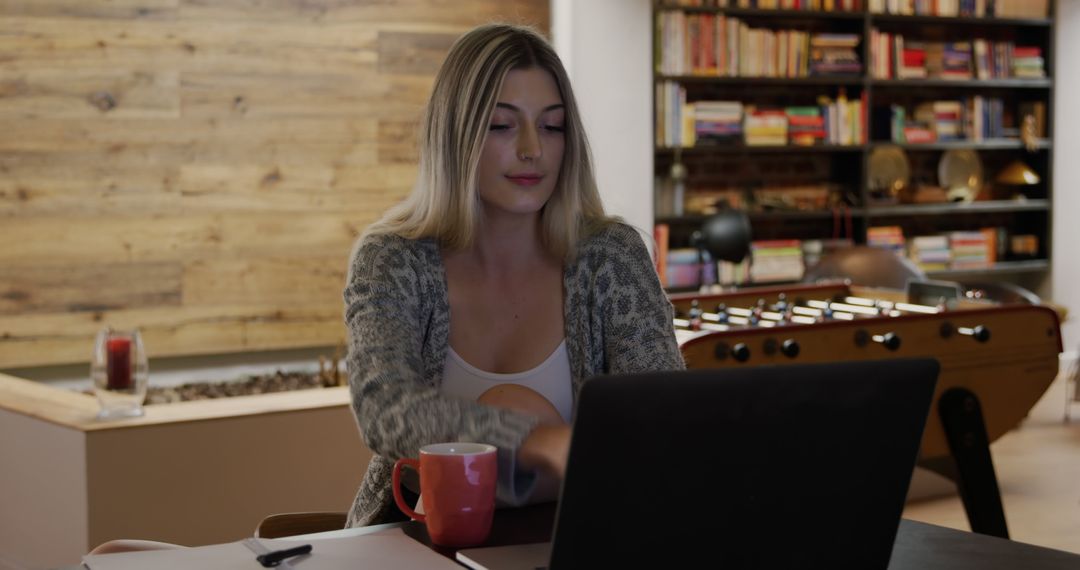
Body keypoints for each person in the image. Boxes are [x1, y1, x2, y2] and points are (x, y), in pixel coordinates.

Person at [344, 22, 684, 528]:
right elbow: (385, 407)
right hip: (416, 545)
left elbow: (663, 418)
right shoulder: (392, 259)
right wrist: (535, 439)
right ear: (455, 136)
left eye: (552, 126)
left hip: (585, 541)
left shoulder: (611, 257)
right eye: (502, 126)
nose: (533, 149)